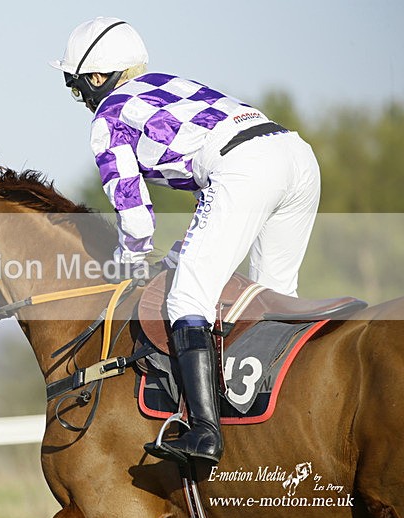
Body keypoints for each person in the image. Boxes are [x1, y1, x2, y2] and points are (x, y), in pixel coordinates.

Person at [51, 17, 321, 464]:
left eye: (78, 88)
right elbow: (213, 202)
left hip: (245, 168)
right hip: (295, 155)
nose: (82, 100)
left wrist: (127, 265)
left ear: (98, 77)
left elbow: (136, 221)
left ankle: (204, 433)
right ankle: (283, 421)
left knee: (185, 300)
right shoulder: (169, 84)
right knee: (273, 298)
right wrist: (179, 255)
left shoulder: (108, 117)